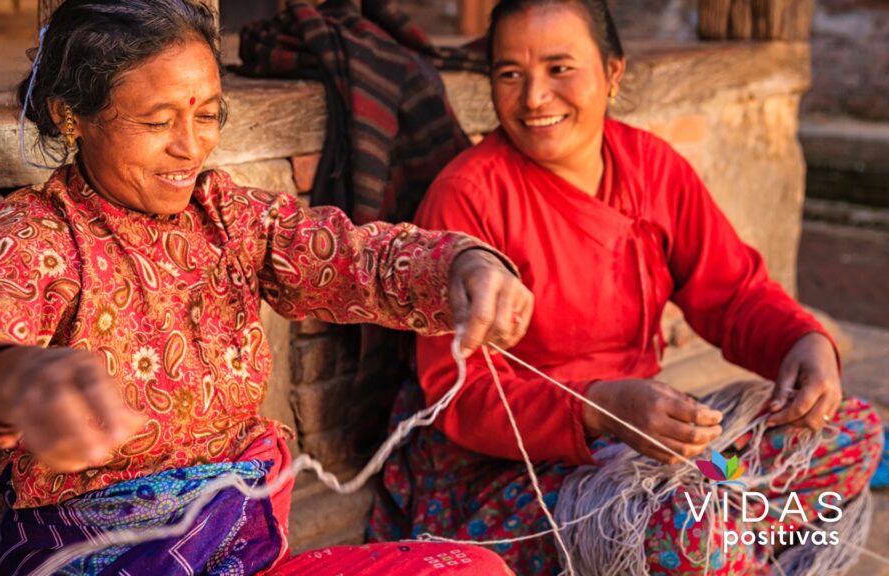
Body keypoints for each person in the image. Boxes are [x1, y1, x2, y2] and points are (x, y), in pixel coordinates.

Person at [0, 1, 532, 573]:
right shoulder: (40, 236)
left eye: (207, 114)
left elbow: (353, 258)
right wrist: (15, 381)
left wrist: (460, 267)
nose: (191, 146)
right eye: (157, 122)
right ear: (73, 117)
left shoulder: (228, 216)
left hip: (242, 556)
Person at [368, 0, 884, 574]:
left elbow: (734, 293)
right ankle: (730, 543)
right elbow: (458, 396)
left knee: (851, 431)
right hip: (507, 474)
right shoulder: (468, 195)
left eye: (560, 68)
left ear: (613, 72)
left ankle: (729, 540)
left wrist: (802, 341)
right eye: (510, 74)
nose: (535, 97)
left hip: (638, 443)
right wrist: (598, 410)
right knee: (688, 535)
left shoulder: (652, 168)